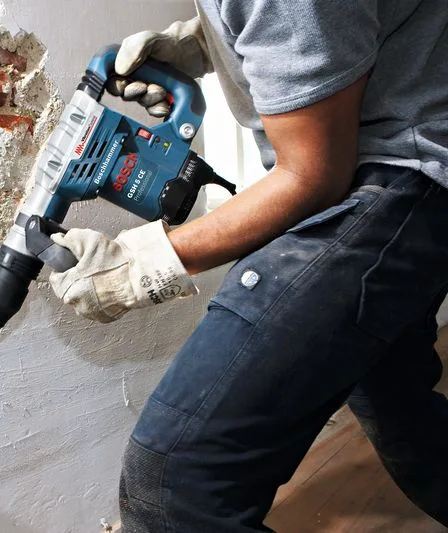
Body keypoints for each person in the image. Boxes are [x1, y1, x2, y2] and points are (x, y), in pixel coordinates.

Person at [48, 1, 448, 531]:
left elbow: (314, 175)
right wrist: (205, 42)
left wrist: (144, 263)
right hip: (397, 162)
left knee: (175, 487)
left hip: (398, 175)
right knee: (401, 408)